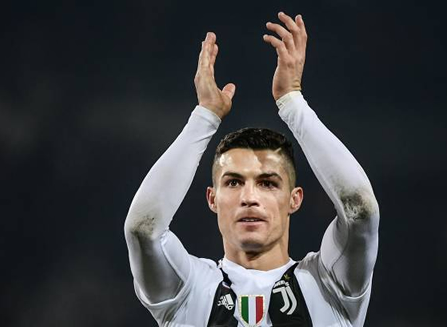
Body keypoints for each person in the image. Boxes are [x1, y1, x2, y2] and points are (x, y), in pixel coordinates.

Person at [124, 12, 379, 327]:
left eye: (268, 183)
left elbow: (361, 211)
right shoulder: (188, 290)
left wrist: (293, 103)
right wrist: (204, 117)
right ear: (212, 198)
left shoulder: (329, 285)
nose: (249, 197)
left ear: (294, 199)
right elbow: (143, 229)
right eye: (233, 183)